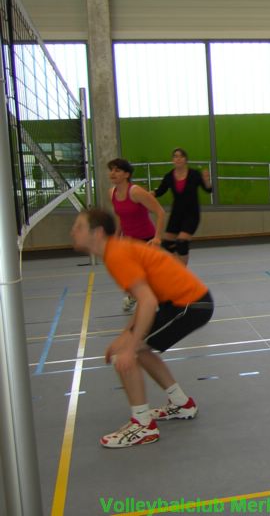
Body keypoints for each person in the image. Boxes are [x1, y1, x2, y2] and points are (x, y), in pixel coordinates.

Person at [70, 208, 214, 448]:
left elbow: (147, 302)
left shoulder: (116, 255)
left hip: (190, 304)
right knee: (133, 347)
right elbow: (145, 300)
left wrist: (128, 347)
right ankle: (181, 404)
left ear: (96, 233)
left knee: (126, 354)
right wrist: (126, 336)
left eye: (78, 227)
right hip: (182, 302)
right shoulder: (115, 251)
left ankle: (143, 426)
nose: (72, 231)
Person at [108, 158, 166, 312]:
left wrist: (157, 237)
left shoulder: (135, 192)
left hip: (147, 240)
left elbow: (160, 212)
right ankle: (136, 296)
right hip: (129, 240)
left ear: (126, 174)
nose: (112, 173)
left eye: (117, 170)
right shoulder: (112, 193)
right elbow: (121, 217)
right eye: (111, 170)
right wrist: (116, 237)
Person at [152, 148, 212, 265]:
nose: (178, 159)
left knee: (182, 242)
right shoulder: (169, 176)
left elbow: (208, 190)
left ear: (186, 160)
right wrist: (148, 194)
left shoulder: (194, 174)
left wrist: (206, 181)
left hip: (191, 214)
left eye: (181, 156)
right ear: (172, 160)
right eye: (175, 156)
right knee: (166, 244)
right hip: (176, 215)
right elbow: (160, 191)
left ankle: (183, 272)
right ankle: (178, 267)